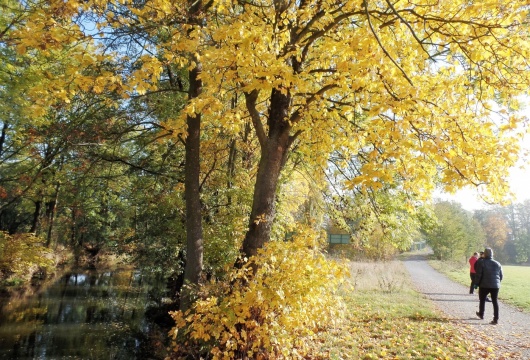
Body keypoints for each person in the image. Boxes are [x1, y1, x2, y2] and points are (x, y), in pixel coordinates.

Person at [474, 247, 503, 325]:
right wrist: (497, 283)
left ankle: (481, 314)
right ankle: (496, 319)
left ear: (485, 254)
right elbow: (501, 276)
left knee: (482, 300)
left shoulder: (482, 262)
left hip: (484, 284)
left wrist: (476, 283)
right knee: (495, 301)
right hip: (495, 285)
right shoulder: (497, 263)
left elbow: (478, 274)